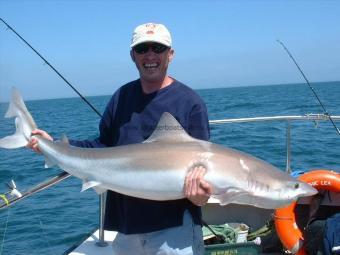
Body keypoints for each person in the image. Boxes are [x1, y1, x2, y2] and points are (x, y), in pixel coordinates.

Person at [28, 22, 212, 255]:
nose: (150, 55)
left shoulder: (190, 103)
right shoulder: (121, 97)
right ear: (132, 56)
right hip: (126, 223)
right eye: (143, 49)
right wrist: (52, 144)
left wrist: (201, 196)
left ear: (171, 54)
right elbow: (101, 145)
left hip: (173, 225)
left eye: (158, 48)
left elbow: (204, 166)